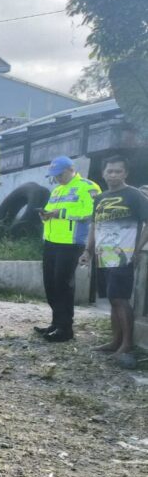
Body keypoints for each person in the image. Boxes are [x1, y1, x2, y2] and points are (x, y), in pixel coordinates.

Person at [79, 155, 148, 369]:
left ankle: (126, 344)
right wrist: (87, 251)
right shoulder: (100, 199)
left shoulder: (135, 196)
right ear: (103, 173)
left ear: (126, 173)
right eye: (110, 171)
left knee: (120, 298)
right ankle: (115, 340)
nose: (113, 175)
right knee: (111, 299)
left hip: (123, 256)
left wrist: (137, 249)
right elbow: (94, 227)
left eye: (118, 171)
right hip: (103, 256)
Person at [36, 156, 100, 342]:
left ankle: (65, 329)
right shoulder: (57, 190)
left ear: (72, 169)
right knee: (50, 283)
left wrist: (59, 213)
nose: (57, 178)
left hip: (72, 243)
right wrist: (45, 216)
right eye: (54, 175)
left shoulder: (88, 187)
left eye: (60, 174)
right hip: (51, 241)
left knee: (63, 284)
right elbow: (50, 211)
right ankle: (56, 323)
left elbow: (90, 212)